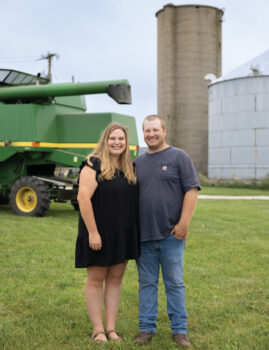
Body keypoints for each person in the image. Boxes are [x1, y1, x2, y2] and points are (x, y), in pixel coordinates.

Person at [134, 115, 200, 347]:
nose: (151, 134)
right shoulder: (138, 162)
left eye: (155, 130)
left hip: (172, 234)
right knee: (146, 284)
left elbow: (192, 190)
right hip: (143, 236)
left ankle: (180, 331)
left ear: (164, 131)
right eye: (147, 130)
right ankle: (146, 329)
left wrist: (184, 223)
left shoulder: (179, 157)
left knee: (174, 282)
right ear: (143, 133)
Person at [75, 123, 140, 343]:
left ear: (126, 142)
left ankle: (111, 329)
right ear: (105, 139)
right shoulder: (94, 163)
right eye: (113, 138)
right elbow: (83, 198)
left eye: (121, 139)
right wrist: (93, 233)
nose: (117, 142)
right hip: (98, 233)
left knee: (115, 279)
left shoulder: (127, 167)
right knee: (96, 279)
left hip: (121, 233)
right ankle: (98, 330)